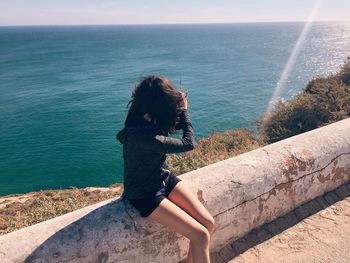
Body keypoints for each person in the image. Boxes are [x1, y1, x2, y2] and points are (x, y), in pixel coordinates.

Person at [116, 75, 215, 263]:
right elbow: (188, 143)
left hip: (163, 178)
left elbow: (172, 127)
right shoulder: (143, 137)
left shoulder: (145, 116)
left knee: (208, 224)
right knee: (201, 235)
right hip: (145, 194)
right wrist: (184, 111)